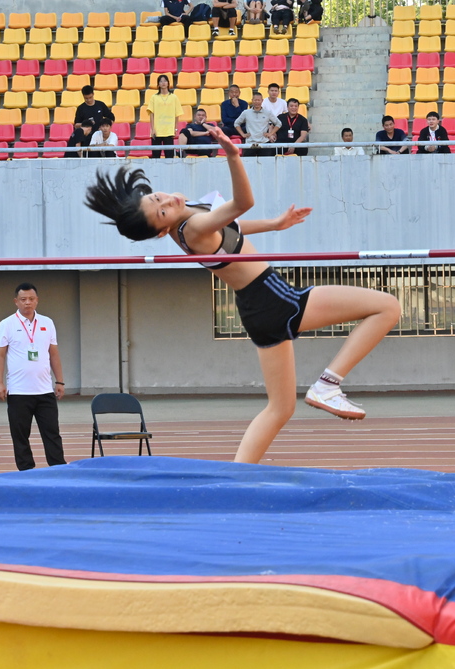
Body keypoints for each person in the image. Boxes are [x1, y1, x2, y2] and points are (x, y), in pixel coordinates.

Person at [83, 128, 400, 464]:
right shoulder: (191, 228)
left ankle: (238, 476)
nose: (165, 201)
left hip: (256, 309)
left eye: (155, 198)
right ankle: (328, 384)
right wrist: (233, 156)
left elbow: (230, 228)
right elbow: (242, 204)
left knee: (280, 408)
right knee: (387, 307)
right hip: (275, 298)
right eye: (161, 211)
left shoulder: (191, 220)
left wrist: (275, 224)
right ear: (163, 230)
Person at [0, 283, 67, 472]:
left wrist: (59, 381)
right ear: (16, 301)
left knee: (52, 433)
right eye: (23, 299)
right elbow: (0, 355)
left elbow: (54, 354)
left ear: (37, 300)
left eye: (31, 299)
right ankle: (26, 471)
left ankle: (58, 468)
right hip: (18, 391)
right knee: (20, 435)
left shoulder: (47, 323)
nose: (28, 303)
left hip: (44, 391)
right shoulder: (7, 324)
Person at [145, 74, 181, 159]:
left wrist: (175, 129)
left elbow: (177, 114)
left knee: (169, 156)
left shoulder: (174, 97)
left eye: (165, 81)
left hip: (169, 130)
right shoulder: (154, 97)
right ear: (158, 84)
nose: (163, 83)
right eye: (161, 81)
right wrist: (152, 129)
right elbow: (151, 113)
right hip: (157, 131)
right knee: (156, 156)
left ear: (168, 83)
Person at [234, 91, 281, 156]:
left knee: (265, 164)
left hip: (264, 142)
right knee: (249, 164)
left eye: (259, 100)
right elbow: (236, 123)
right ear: (252, 100)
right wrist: (243, 134)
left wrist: (270, 133)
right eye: (255, 100)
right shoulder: (246, 112)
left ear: (262, 101)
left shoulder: (267, 113)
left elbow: (278, 123)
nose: (257, 102)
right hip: (250, 143)